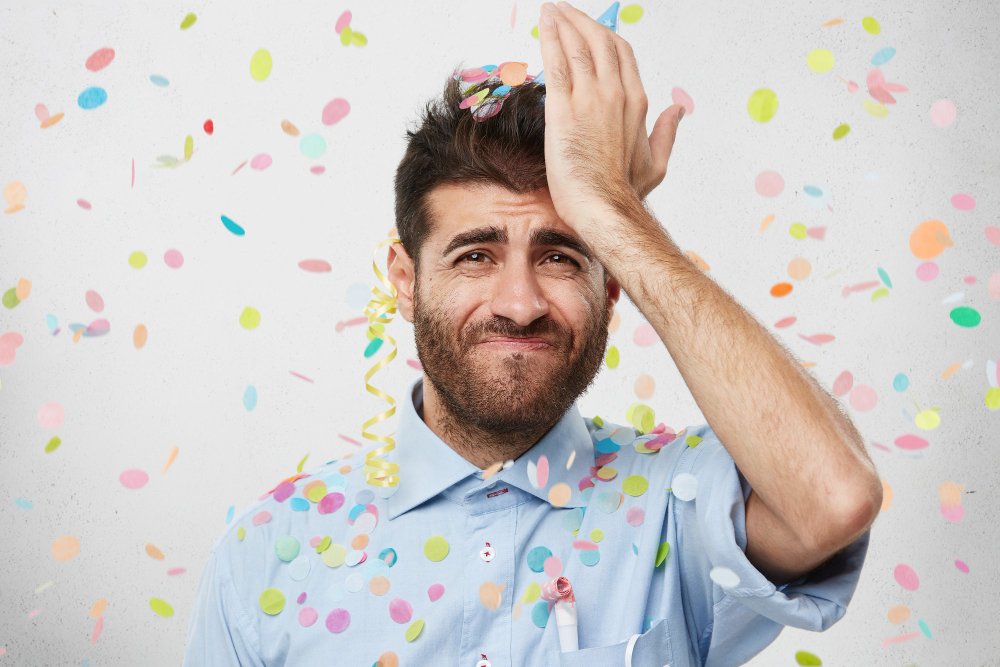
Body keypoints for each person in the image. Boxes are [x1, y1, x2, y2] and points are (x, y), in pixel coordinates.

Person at [183, 2, 882, 665]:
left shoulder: (681, 503)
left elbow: (834, 498)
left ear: (612, 286)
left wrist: (612, 212)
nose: (520, 305)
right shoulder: (268, 553)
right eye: (475, 256)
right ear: (405, 280)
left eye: (560, 257)